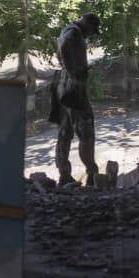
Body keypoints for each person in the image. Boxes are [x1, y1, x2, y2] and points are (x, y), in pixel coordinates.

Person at [50, 12, 100, 186]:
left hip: (62, 87)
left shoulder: (66, 29)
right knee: (86, 131)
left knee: (65, 132)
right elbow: (65, 48)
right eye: (93, 30)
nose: (91, 34)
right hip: (73, 90)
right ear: (87, 24)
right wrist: (74, 75)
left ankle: (64, 174)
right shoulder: (74, 33)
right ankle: (92, 174)